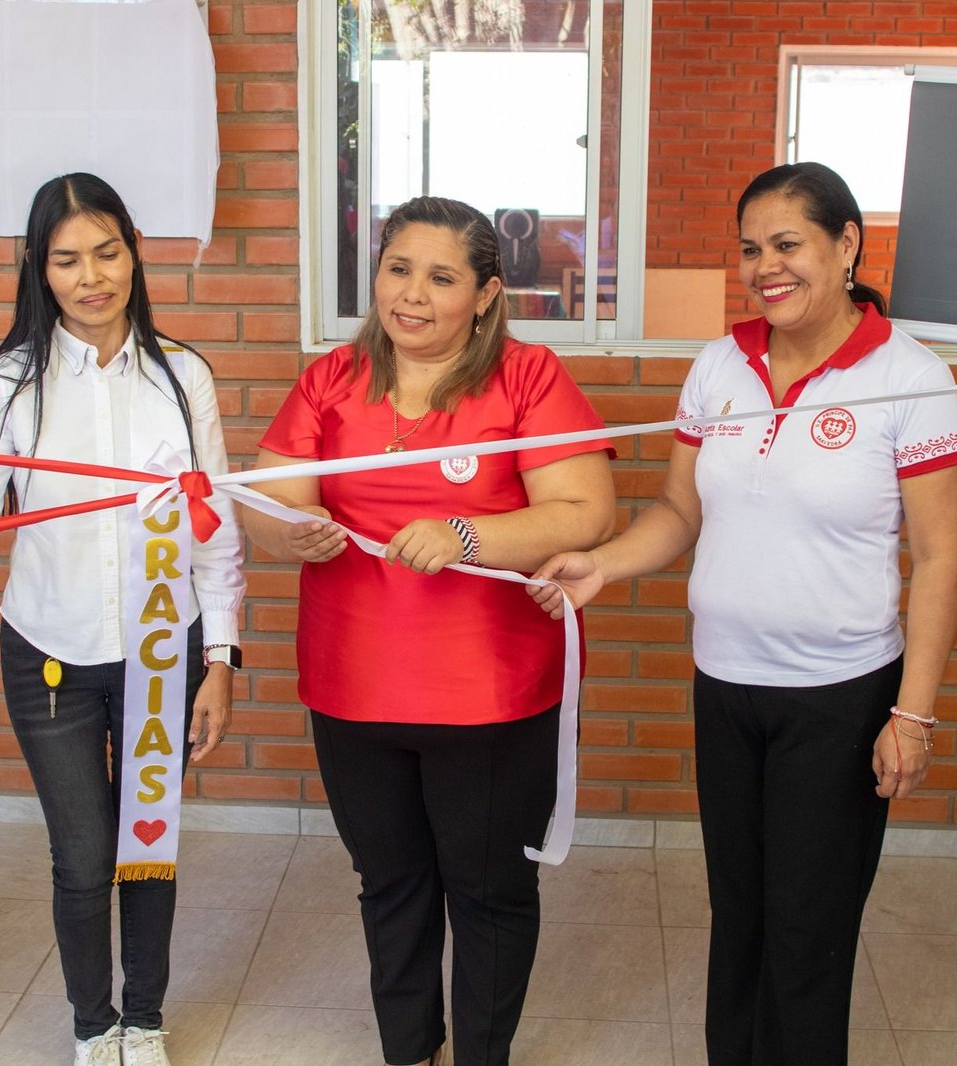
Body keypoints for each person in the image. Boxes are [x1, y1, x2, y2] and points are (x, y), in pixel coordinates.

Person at [534, 162, 957, 1065]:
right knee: (739, 914)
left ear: (846, 245)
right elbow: (682, 513)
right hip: (727, 684)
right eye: (750, 250)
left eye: (787, 245)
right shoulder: (718, 365)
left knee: (809, 931)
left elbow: (938, 558)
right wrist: (602, 565)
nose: (765, 267)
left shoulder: (910, 376)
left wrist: (912, 715)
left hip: (839, 696)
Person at [0, 174, 244, 1066]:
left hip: (162, 647)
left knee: (145, 844)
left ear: (135, 247)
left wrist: (219, 658)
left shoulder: (184, 378)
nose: (91, 277)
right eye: (67, 259)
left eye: (106, 252)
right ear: (39, 268)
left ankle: (143, 1021)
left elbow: (215, 532)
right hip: (50, 652)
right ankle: (92, 1025)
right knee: (82, 856)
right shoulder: (11, 383)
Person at [242, 196, 616, 1066]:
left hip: (489, 692)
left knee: (487, 891)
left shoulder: (527, 377)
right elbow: (264, 505)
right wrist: (288, 531)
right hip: (352, 687)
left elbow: (586, 510)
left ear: (485, 295)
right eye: (397, 269)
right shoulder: (331, 378)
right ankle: (410, 1051)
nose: (411, 295)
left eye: (441, 278)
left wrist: (467, 535)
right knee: (391, 885)